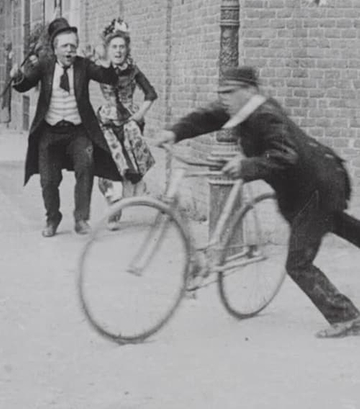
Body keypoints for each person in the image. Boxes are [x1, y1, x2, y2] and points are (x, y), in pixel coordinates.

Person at [156, 66, 360, 338]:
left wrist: (246, 166)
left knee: (297, 264)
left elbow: (285, 155)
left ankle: (348, 317)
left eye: (229, 92)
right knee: (337, 225)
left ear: (249, 91)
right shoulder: (240, 110)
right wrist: (175, 133)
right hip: (308, 187)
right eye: (221, 92)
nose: (224, 98)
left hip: (318, 189)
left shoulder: (265, 115)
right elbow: (205, 118)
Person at [10, 17, 121, 237]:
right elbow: (25, 84)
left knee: (86, 166)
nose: (70, 51)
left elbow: (108, 78)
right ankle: (52, 218)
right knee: (48, 180)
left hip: (78, 131)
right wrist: (16, 77)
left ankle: (81, 219)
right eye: (65, 46)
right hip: (49, 132)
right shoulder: (44, 65)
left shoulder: (84, 66)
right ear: (55, 48)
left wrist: (106, 61)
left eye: (73, 46)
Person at [96, 19, 157, 230]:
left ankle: (122, 202)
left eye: (122, 47)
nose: (118, 51)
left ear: (127, 48)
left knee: (128, 165)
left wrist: (139, 114)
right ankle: (114, 210)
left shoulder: (133, 70)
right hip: (106, 121)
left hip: (129, 123)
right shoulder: (100, 68)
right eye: (114, 46)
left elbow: (151, 93)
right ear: (107, 48)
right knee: (109, 165)